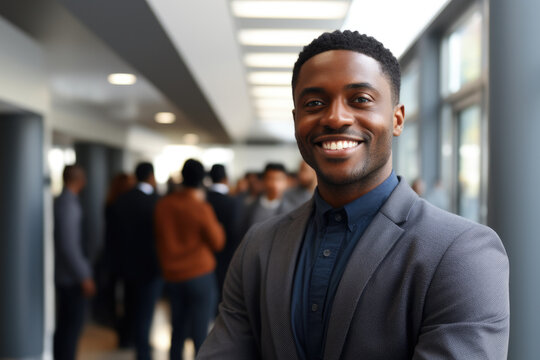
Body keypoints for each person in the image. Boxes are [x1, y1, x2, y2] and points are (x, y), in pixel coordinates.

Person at [197, 30, 509, 359]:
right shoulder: (258, 247)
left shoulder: (461, 253)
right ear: (296, 121)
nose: (335, 117)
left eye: (360, 99)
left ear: (397, 119)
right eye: (314, 103)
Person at [154, 159, 225, 358]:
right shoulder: (200, 207)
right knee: (200, 332)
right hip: (199, 274)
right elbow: (217, 242)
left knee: (177, 329)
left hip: (172, 275)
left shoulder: (163, 205)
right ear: (202, 180)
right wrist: (218, 227)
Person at [112, 162, 163, 360]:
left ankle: (129, 341)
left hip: (127, 266)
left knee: (131, 307)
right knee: (145, 314)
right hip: (150, 266)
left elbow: (114, 236)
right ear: (151, 176)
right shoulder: (157, 201)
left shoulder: (122, 199)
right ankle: (143, 353)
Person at [53, 164, 95, 360]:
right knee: (70, 328)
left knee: (65, 327)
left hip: (66, 275)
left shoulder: (62, 201)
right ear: (79, 180)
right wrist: (84, 275)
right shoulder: (68, 205)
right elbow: (69, 246)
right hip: (71, 278)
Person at [205, 164, 241, 309]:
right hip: (227, 255)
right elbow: (235, 231)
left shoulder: (203, 200)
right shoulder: (233, 202)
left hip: (204, 257)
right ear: (226, 179)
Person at [241, 162, 295, 236]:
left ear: (286, 182)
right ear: (264, 181)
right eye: (270, 178)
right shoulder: (249, 206)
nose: (274, 184)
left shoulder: (292, 210)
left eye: (279, 179)